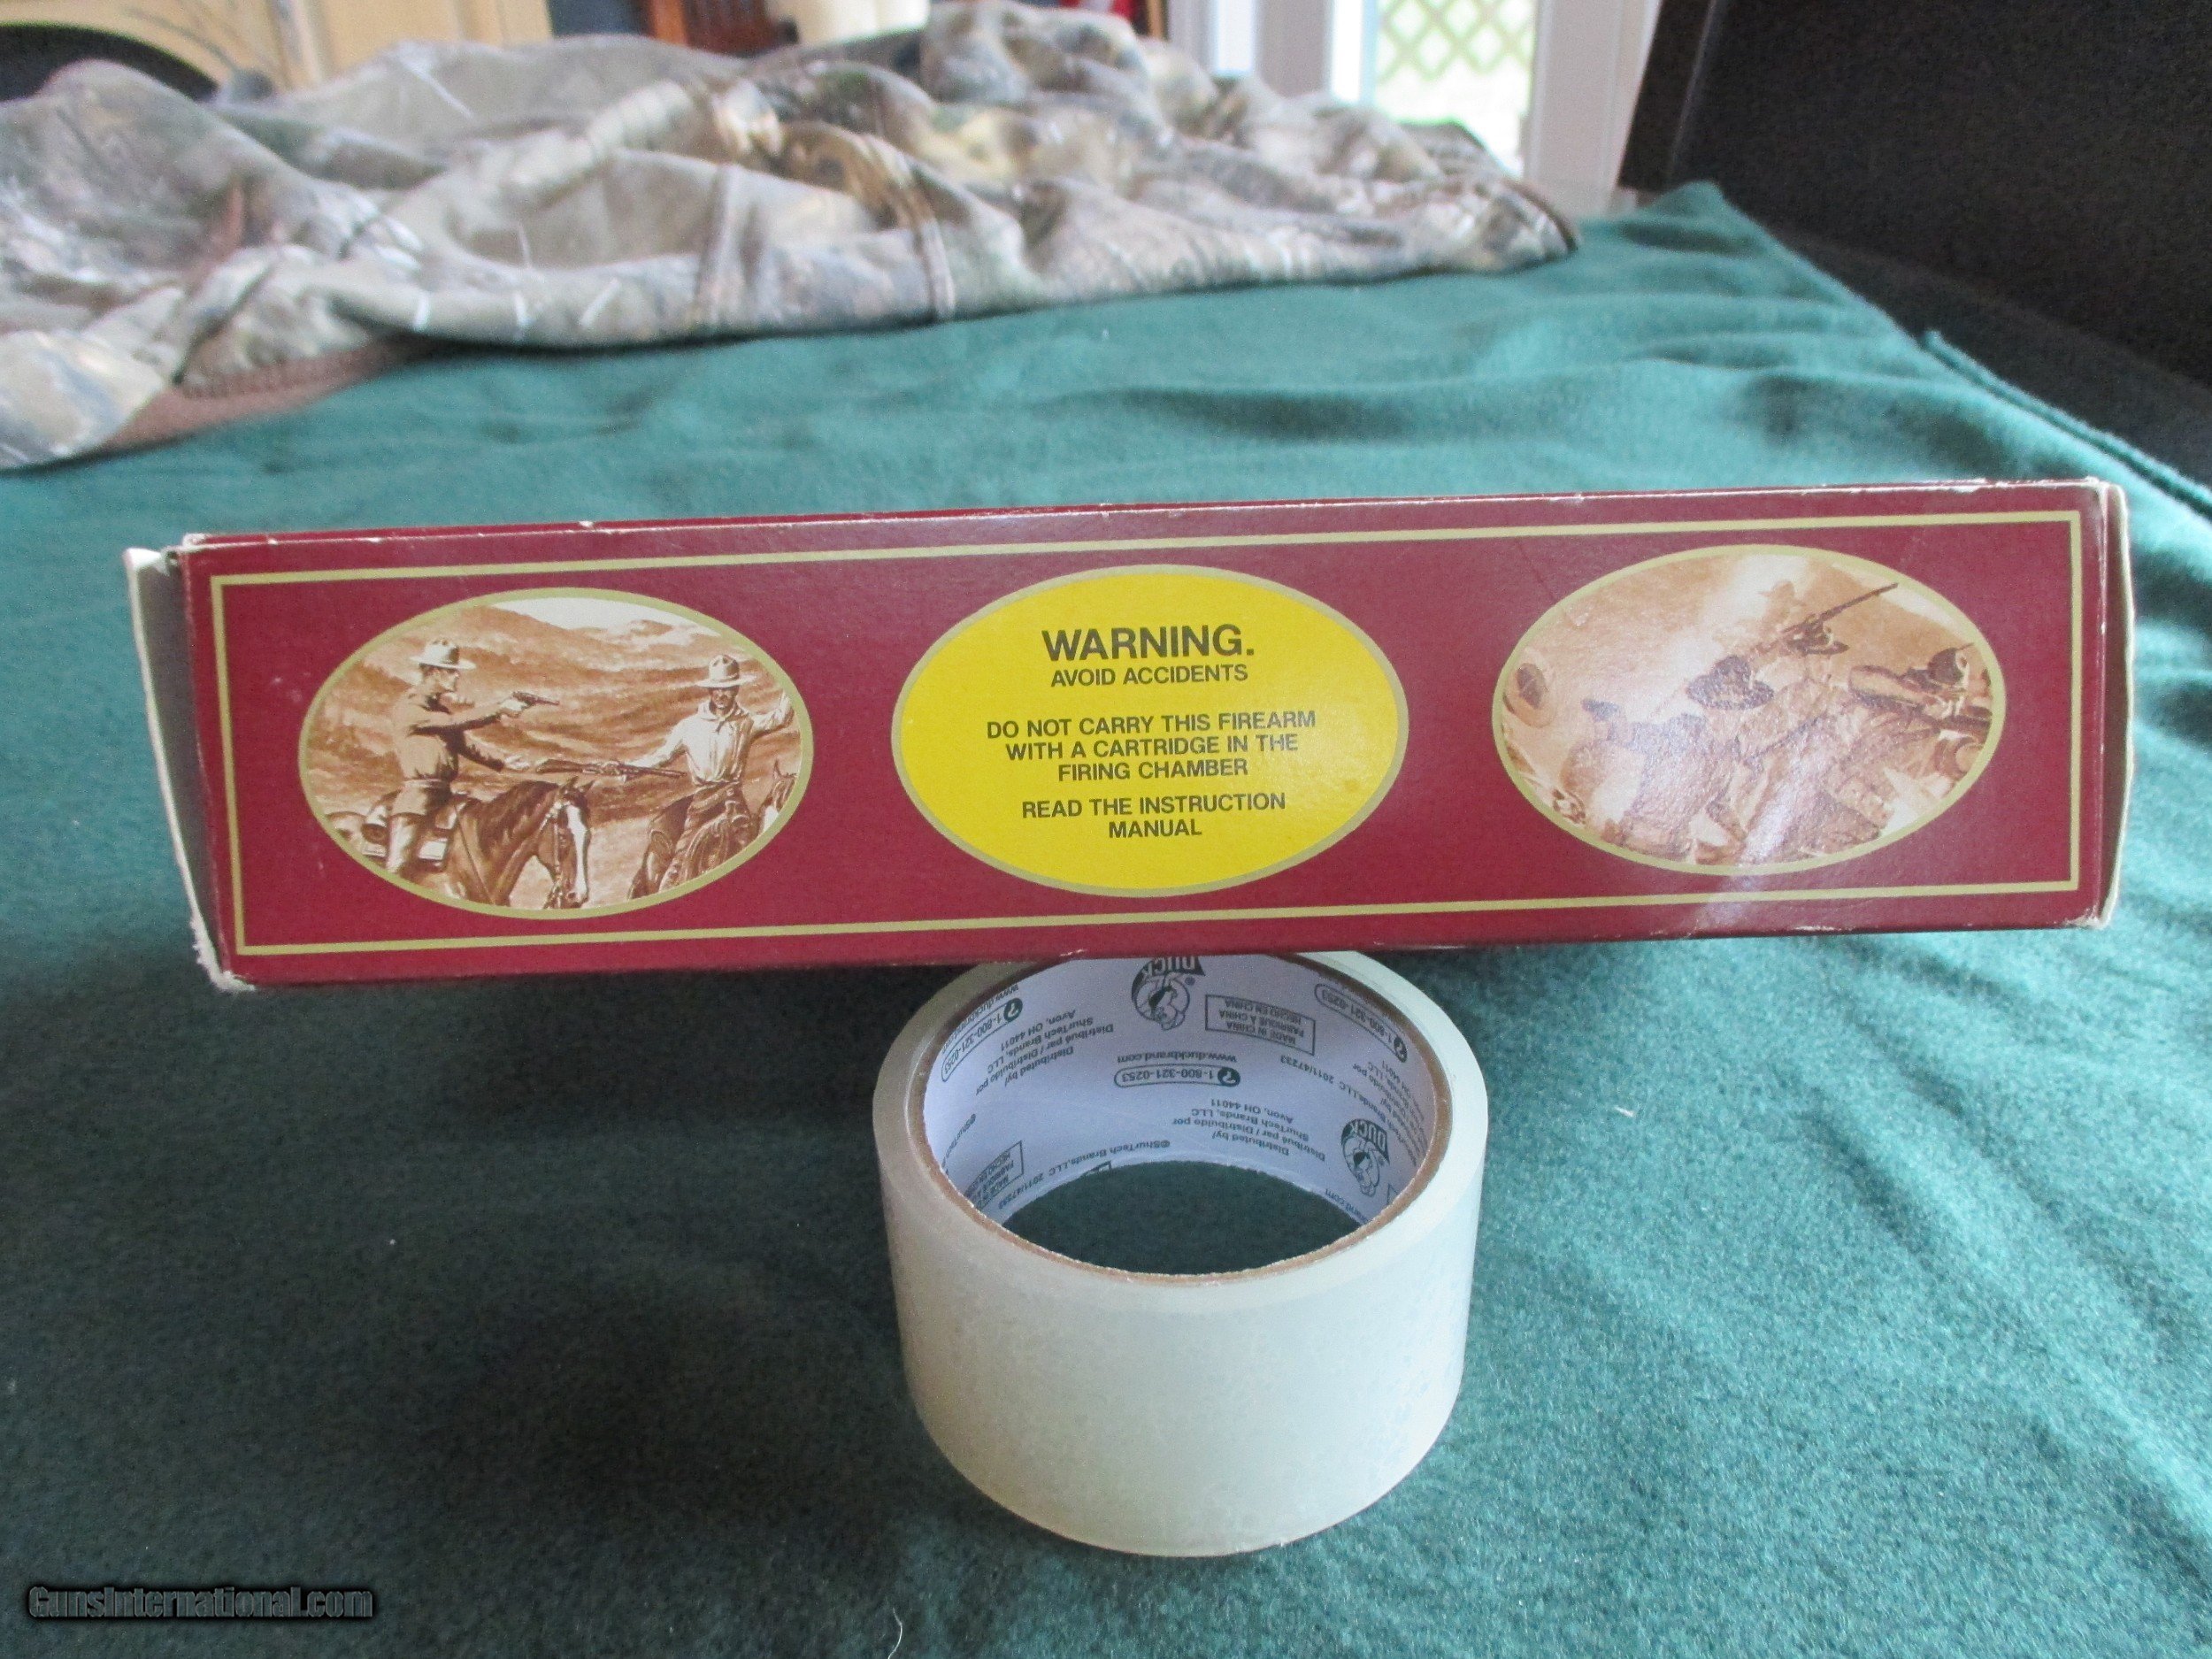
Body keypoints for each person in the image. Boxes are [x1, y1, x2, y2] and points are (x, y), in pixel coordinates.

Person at [623, 654, 793, 895]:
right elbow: (662, 756)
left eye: (727, 689)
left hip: (732, 801)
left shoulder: (746, 723)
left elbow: (781, 718)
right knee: (679, 862)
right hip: (701, 806)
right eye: (717, 689)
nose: (721, 695)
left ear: (736, 690)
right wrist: (630, 769)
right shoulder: (689, 726)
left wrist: (793, 679)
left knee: (749, 853)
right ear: (710, 690)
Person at [384, 641, 540, 877]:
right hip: (416, 801)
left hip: (445, 798)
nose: (457, 676)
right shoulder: (409, 707)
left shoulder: (438, 711)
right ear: (434, 672)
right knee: (396, 869)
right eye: (451, 671)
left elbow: (465, 745)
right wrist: (499, 708)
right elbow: (453, 723)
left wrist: (503, 761)